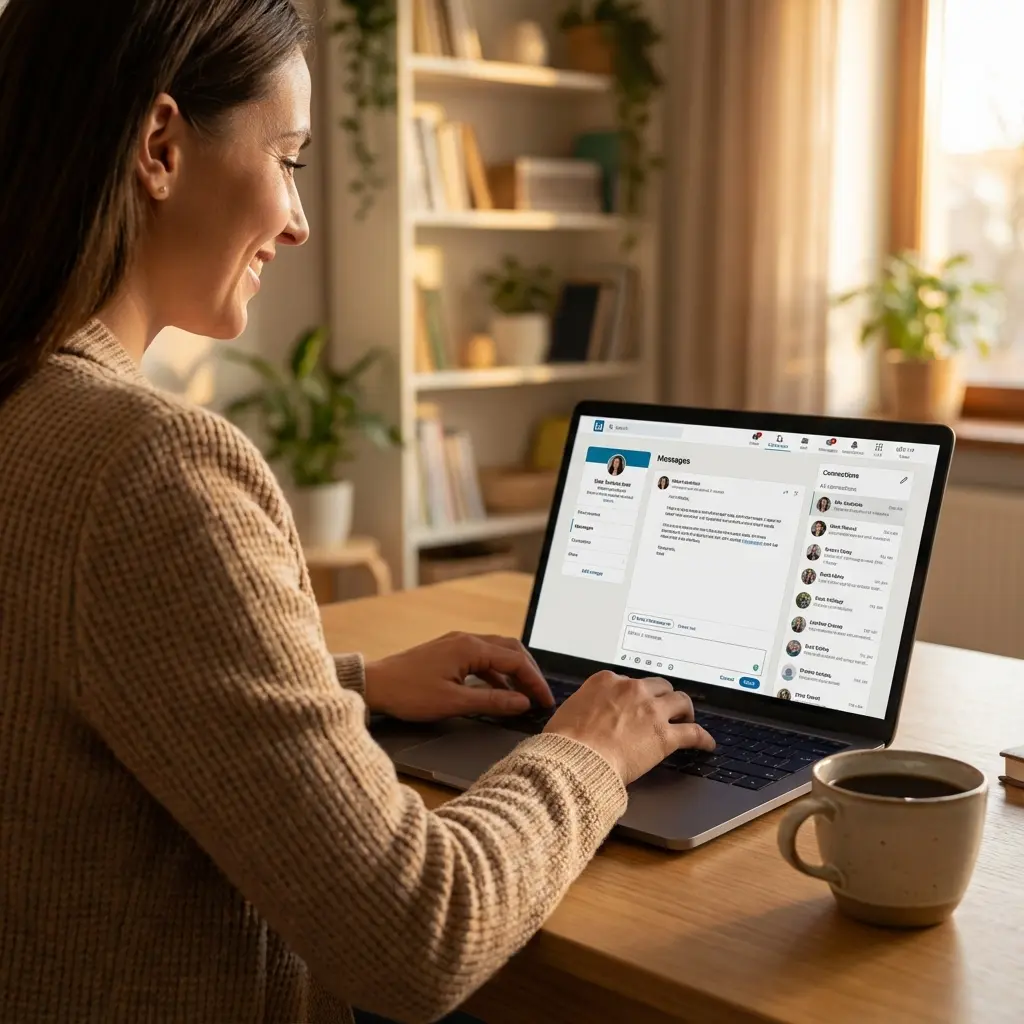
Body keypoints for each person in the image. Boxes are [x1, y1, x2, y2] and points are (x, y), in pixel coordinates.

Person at [0, 2, 717, 1021]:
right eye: (288, 159)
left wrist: (347, 684)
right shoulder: (150, 468)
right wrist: (589, 751)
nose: (297, 218)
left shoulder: (26, 409)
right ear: (159, 146)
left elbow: (56, 684)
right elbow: (416, 936)